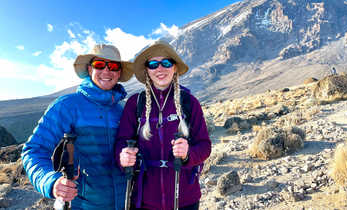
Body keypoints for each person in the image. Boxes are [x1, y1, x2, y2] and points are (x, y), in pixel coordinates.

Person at [22, 44, 133, 209]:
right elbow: (34, 149)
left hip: (125, 204)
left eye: (114, 66)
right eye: (99, 65)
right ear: (89, 69)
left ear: (119, 72)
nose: (107, 71)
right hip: (82, 205)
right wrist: (51, 182)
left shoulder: (124, 109)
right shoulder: (67, 106)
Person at [115, 40, 211, 210]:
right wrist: (123, 156)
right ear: (147, 70)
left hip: (185, 200)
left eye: (166, 62)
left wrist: (188, 154)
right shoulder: (135, 103)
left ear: (174, 68)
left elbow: (204, 145)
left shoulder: (189, 102)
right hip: (144, 201)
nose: (160, 68)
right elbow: (122, 141)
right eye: (153, 64)